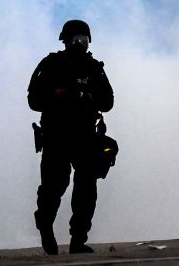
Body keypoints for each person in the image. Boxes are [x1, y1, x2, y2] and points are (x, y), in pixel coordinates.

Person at [27, 19, 115, 254]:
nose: (80, 44)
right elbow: (34, 101)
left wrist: (88, 98)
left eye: (84, 40)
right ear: (65, 41)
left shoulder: (94, 67)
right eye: (75, 40)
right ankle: (45, 226)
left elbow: (108, 102)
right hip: (57, 135)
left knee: (86, 188)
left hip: (85, 136)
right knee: (54, 185)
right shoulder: (52, 65)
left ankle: (78, 239)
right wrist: (61, 98)